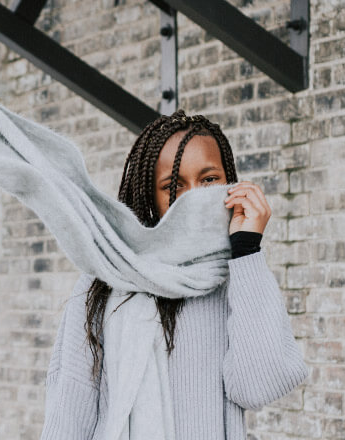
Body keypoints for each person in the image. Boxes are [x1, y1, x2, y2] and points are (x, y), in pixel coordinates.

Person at [40, 109, 309, 439]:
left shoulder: (237, 278)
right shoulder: (106, 279)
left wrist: (247, 250)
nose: (193, 197)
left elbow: (258, 388)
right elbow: (69, 408)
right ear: (150, 196)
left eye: (208, 180)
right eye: (172, 186)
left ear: (231, 184)